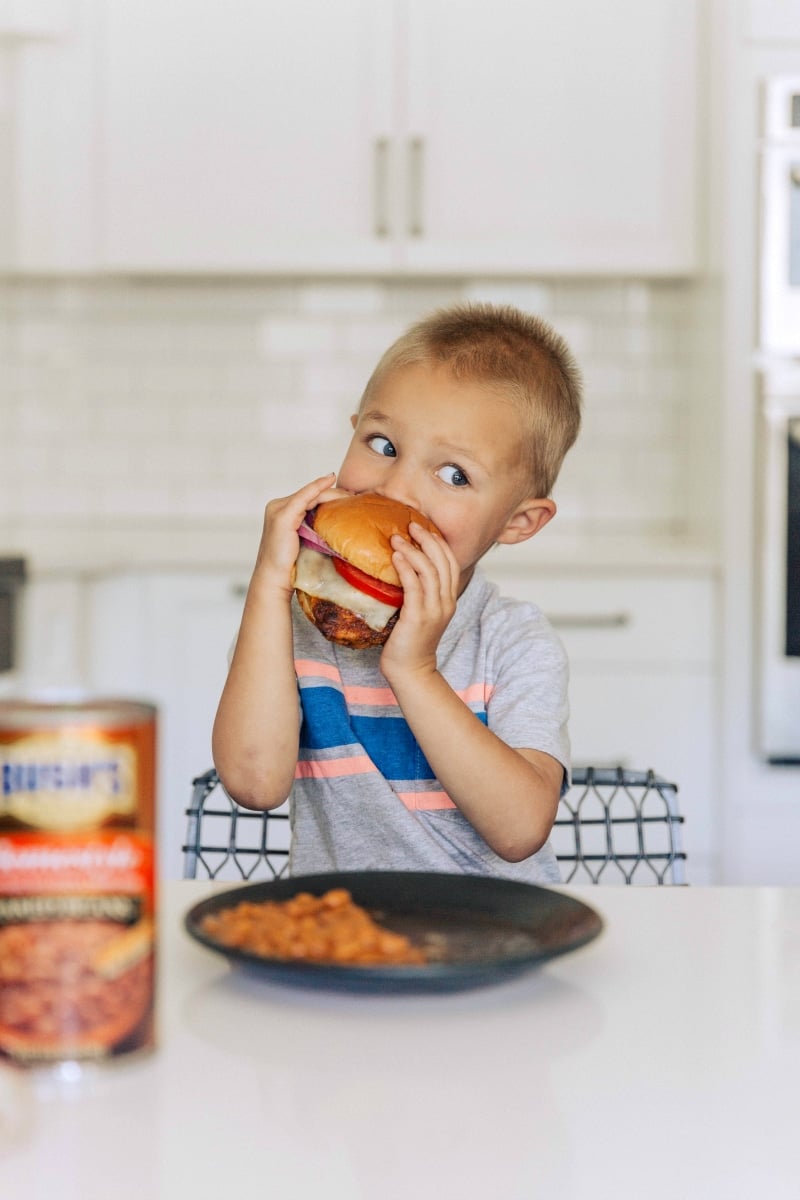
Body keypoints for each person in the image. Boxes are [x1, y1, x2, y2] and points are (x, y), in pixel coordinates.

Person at [212, 303, 582, 883]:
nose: (396, 488)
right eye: (382, 444)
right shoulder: (294, 623)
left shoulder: (513, 640)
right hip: (344, 939)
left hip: (492, 940)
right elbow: (254, 784)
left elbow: (519, 830)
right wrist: (268, 582)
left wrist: (414, 670)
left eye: (454, 474)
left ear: (518, 522)